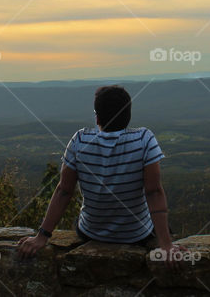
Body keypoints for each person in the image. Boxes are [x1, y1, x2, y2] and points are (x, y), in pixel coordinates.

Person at [18, 85, 183, 264]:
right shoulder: (144, 139)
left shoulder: (79, 140)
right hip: (137, 234)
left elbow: (63, 191)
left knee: (80, 219)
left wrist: (42, 236)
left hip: (91, 232)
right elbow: (154, 192)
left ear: (97, 117)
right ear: (128, 115)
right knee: (164, 228)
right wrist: (166, 245)